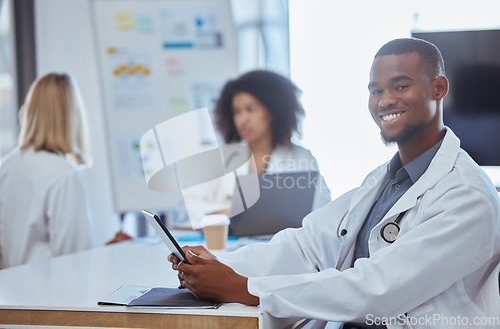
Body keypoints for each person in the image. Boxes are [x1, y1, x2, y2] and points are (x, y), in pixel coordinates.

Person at [169, 38, 500, 328]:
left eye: (400, 86)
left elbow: (378, 289)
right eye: (375, 90)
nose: (384, 100)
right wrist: (217, 264)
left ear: (439, 89)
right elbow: (306, 246)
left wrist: (246, 289)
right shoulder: (383, 181)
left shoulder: (466, 196)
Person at [179, 69, 331, 228]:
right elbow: (187, 211)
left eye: (250, 109)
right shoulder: (219, 159)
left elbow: (323, 211)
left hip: (283, 247)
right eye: (236, 111)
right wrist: (229, 214)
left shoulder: (301, 158)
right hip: (227, 249)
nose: (242, 120)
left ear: (273, 110)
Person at [0, 73, 94, 269]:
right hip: (49, 294)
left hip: (10, 291)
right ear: (71, 115)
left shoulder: (6, 165)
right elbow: (76, 260)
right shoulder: (66, 174)